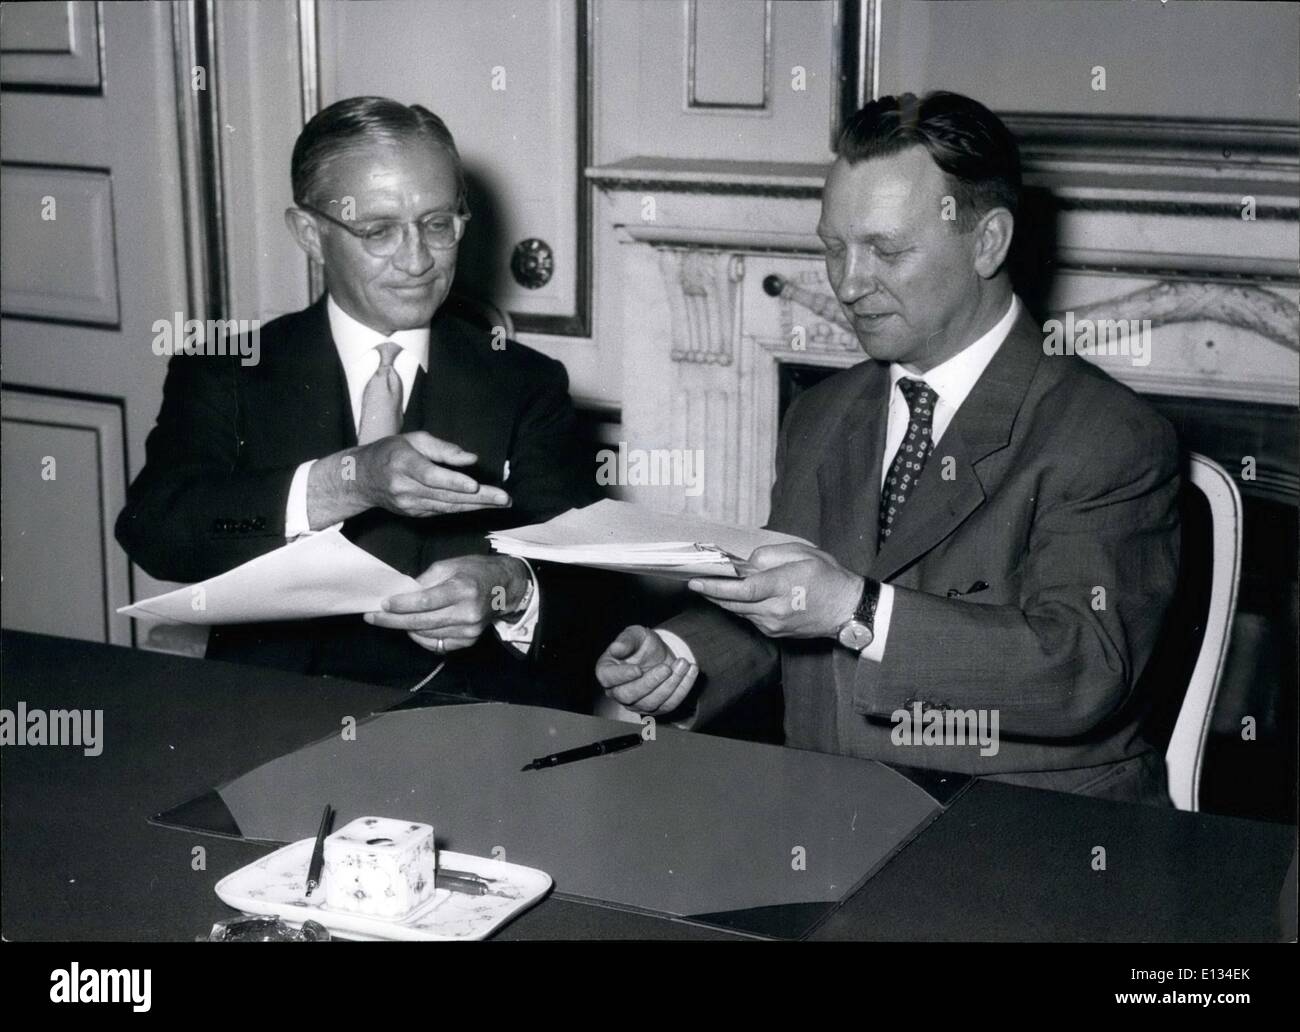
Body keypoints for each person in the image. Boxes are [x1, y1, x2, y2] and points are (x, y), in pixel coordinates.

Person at [596, 91, 1182, 805]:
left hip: (1029, 832)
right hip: (827, 814)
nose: (847, 284)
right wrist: (682, 659)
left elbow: (1081, 668)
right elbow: (790, 609)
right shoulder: (823, 413)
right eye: (833, 248)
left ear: (989, 242)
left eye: (887, 250)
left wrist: (859, 609)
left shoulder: (1108, 436)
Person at [117, 96, 601, 702]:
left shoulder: (526, 382)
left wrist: (507, 586)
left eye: (438, 223)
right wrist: (347, 481)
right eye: (377, 231)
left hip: (469, 720)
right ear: (311, 235)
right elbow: (157, 531)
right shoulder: (226, 373)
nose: (418, 259)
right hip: (272, 717)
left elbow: (585, 578)